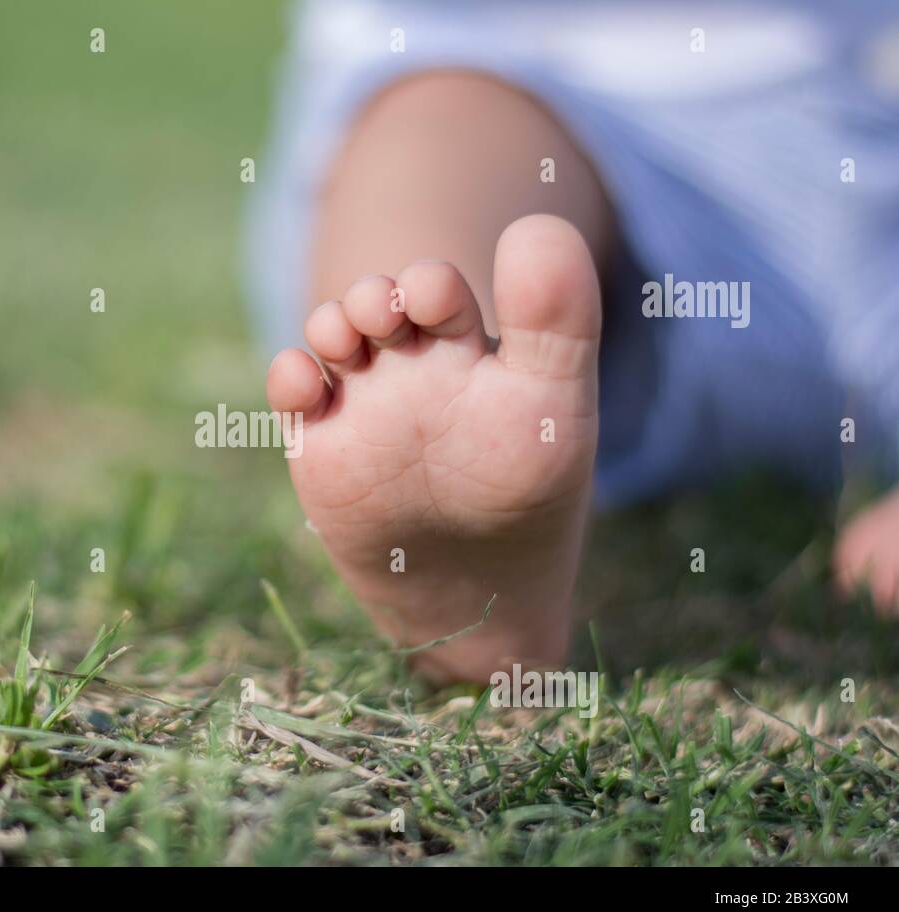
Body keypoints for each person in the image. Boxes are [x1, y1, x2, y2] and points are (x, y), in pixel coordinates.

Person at [246, 0, 899, 682]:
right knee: (435, 159)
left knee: (446, 157)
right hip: (504, 76)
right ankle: (448, 428)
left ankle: (456, 407)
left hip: (860, 118)